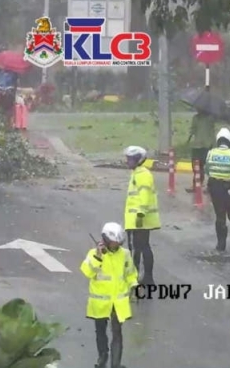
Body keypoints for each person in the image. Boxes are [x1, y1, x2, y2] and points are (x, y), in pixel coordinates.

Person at [80, 222, 138, 368]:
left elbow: (130, 273)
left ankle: (116, 364)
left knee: (117, 333)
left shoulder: (125, 254)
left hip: (118, 302)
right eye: (112, 242)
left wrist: (134, 286)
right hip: (100, 303)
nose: (115, 245)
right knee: (100, 331)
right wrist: (98, 258)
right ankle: (103, 355)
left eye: (118, 243)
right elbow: (87, 272)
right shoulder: (93, 254)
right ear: (105, 240)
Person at [123, 145, 160, 285]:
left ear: (138, 160)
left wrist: (140, 215)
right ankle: (141, 276)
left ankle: (146, 277)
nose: (127, 162)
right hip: (137, 220)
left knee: (141, 247)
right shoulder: (137, 173)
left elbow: (144, 197)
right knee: (140, 247)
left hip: (140, 220)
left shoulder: (143, 175)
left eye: (130, 159)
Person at [187, 110, 215, 190]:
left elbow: (192, 130)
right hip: (203, 145)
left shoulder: (201, 118)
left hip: (202, 145)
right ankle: (198, 183)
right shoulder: (208, 118)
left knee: (201, 166)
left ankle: (202, 184)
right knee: (200, 166)